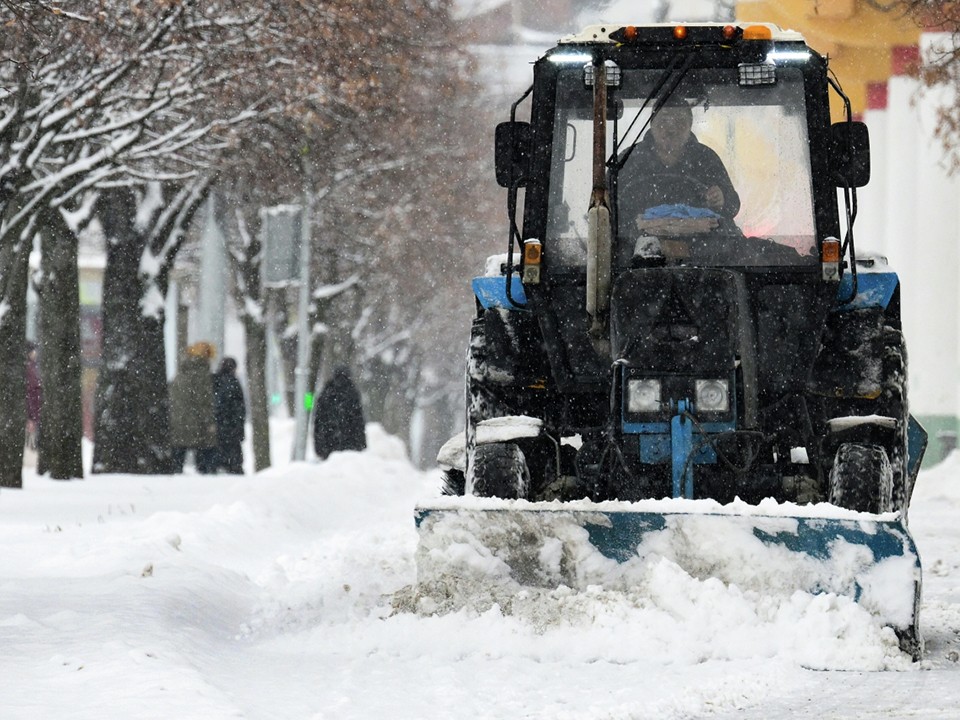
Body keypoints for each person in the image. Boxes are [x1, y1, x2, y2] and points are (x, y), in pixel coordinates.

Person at [619, 99, 740, 227]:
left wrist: (722, 199)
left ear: (690, 125)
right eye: (664, 121)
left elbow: (733, 205)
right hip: (634, 241)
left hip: (703, 241)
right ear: (652, 123)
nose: (671, 129)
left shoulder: (706, 159)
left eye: (679, 122)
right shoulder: (628, 160)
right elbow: (606, 207)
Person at [168, 341, 218, 474]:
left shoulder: (181, 372)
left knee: (178, 455)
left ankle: (174, 474)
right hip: (197, 423)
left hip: (178, 421)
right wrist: (209, 422)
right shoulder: (202, 375)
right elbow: (204, 402)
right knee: (204, 456)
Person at [312, 366, 366, 460]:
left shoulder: (326, 392)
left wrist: (319, 444)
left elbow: (318, 420)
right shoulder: (352, 393)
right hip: (350, 443)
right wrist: (361, 443)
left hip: (328, 442)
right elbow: (358, 421)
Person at [212, 357, 246, 474]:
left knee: (216, 458)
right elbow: (239, 410)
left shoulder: (213, 381)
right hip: (231, 428)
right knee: (233, 460)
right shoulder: (234, 383)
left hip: (216, 427)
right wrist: (239, 429)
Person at [25, 342, 41, 454]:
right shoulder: (30, 368)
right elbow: (32, 390)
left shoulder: (33, 366)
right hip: (32, 407)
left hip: (34, 406)